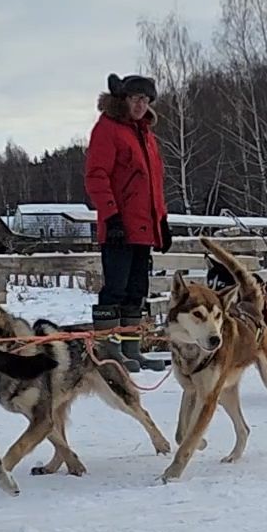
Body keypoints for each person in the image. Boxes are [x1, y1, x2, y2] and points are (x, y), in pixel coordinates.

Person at [84, 72, 172, 371]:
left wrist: (162, 221)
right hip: (119, 227)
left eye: (145, 99)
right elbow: (97, 176)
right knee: (115, 289)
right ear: (123, 99)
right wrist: (111, 216)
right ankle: (108, 351)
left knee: (137, 290)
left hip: (143, 228)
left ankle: (131, 349)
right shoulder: (108, 129)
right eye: (135, 98)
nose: (140, 104)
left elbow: (153, 184)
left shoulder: (146, 135)